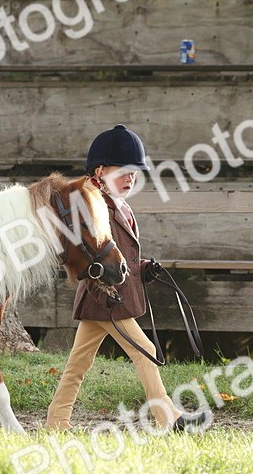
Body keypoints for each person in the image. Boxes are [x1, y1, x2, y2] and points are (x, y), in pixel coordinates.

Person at [45, 124, 211, 433]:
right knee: (144, 352)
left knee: (78, 366)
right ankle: (169, 418)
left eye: (135, 172)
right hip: (106, 299)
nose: (131, 178)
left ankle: (56, 422)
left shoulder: (120, 206)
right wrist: (103, 291)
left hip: (109, 301)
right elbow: (86, 260)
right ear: (100, 171)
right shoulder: (92, 208)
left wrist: (143, 268)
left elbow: (121, 256)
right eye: (123, 171)